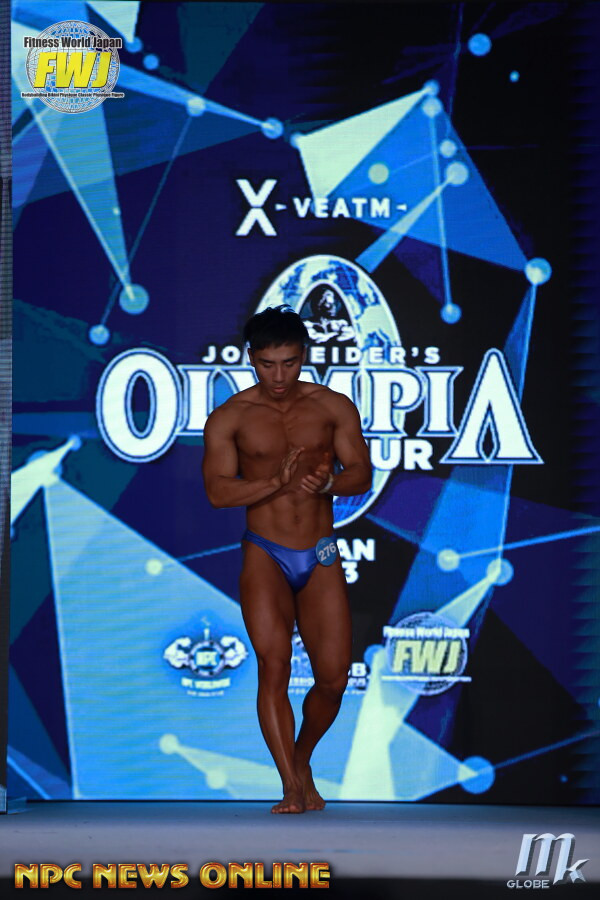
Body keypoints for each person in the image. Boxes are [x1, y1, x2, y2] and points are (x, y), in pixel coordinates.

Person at [202, 305, 371, 813]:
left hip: (320, 551)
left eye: (290, 363)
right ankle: (291, 787)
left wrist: (330, 482)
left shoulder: (332, 406)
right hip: (265, 551)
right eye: (267, 364)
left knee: (334, 678)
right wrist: (276, 482)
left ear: (304, 356)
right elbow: (218, 493)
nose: (278, 376)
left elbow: (362, 473)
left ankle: (301, 758)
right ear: (251, 358)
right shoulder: (230, 417)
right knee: (273, 665)